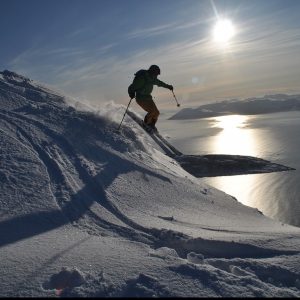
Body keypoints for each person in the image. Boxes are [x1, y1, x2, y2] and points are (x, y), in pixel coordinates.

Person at [128, 65, 173, 132]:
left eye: (157, 74)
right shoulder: (143, 78)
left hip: (148, 98)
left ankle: (152, 125)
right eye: (156, 74)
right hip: (141, 98)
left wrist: (168, 86)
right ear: (152, 72)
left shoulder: (152, 78)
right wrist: (131, 93)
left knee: (157, 113)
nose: (157, 76)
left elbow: (160, 83)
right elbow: (132, 87)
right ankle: (147, 124)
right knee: (152, 111)